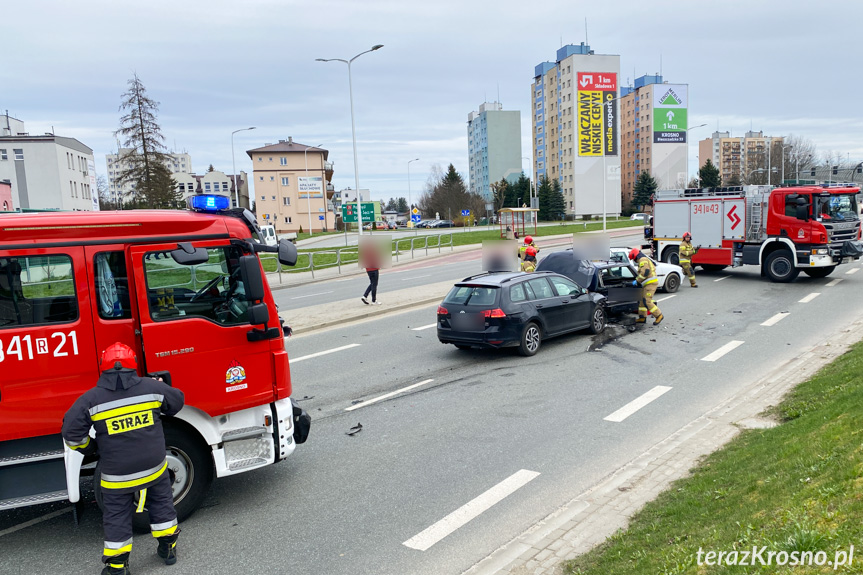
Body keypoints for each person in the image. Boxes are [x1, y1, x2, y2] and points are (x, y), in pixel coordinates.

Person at [62, 343, 185, 575]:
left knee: (117, 515)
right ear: (133, 365)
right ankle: (169, 549)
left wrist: (90, 448)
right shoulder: (151, 388)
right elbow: (177, 401)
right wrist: (160, 388)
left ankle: (118, 567)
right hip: (154, 467)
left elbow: (71, 432)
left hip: (116, 475)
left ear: (103, 368)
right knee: (162, 503)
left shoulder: (91, 399)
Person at [629, 248, 663, 325]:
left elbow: (645, 272)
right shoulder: (642, 259)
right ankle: (642, 317)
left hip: (650, 283)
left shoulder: (642, 259)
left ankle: (659, 315)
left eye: (633, 259)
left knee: (647, 301)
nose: (634, 261)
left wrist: (637, 281)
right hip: (647, 284)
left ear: (635, 256)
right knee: (641, 300)